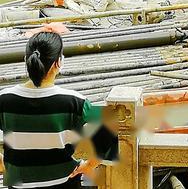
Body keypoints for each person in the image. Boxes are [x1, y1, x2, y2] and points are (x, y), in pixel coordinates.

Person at [0, 30, 117, 189]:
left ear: (26, 60)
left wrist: (2, 162)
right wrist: (89, 165)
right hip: (63, 182)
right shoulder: (75, 101)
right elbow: (112, 126)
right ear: (58, 63)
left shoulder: (4, 99)